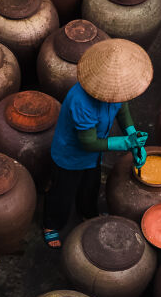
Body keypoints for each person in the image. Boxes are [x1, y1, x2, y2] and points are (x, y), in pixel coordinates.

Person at [43, 38, 153, 248]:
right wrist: (125, 143)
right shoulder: (82, 102)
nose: (120, 95)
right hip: (71, 155)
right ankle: (51, 223)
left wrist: (132, 135)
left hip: (95, 154)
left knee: (90, 186)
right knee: (62, 193)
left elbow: (122, 110)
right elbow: (88, 143)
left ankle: (87, 213)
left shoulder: (117, 90)